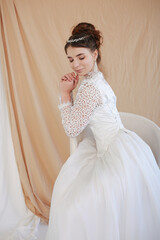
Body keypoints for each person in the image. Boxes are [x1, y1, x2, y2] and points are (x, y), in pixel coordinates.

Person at [45, 22, 160, 240]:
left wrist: (64, 94)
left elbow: (71, 128)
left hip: (114, 153)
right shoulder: (96, 79)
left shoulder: (90, 89)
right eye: (70, 59)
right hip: (123, 144)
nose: (75, 64)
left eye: (81, 57)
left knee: (73, 206)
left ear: (95, 53)